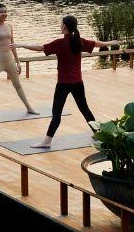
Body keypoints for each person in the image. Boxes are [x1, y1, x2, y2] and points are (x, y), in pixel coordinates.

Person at [14, 15, 124, 148]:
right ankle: (97, 133)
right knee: (84, 109)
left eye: (61, 24)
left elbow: (40, 47)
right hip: (78, 82)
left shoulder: (60, 43)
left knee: (57, 113)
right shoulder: (78, 41)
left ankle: (47, 141)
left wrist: (21, 45)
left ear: (65, 27)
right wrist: (111, 43)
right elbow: (96, 44)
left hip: (63, 84)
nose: (60, 26)